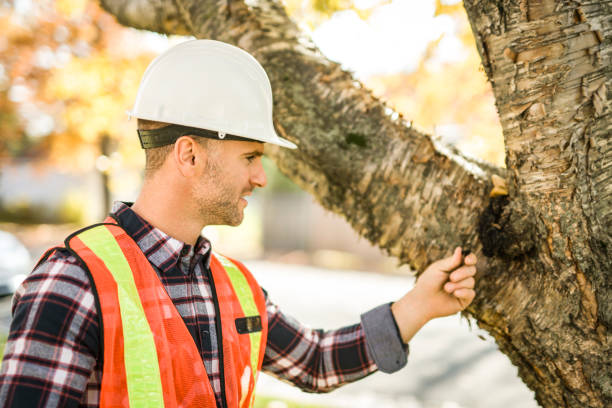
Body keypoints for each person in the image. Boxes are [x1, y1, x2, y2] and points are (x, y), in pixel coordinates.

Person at [0, 40, 477, 407]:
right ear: (189, 154)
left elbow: (315, 361)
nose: (260, 177)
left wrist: (418, 306)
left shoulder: (234, 287)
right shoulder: (70, 283)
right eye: (250, 156)